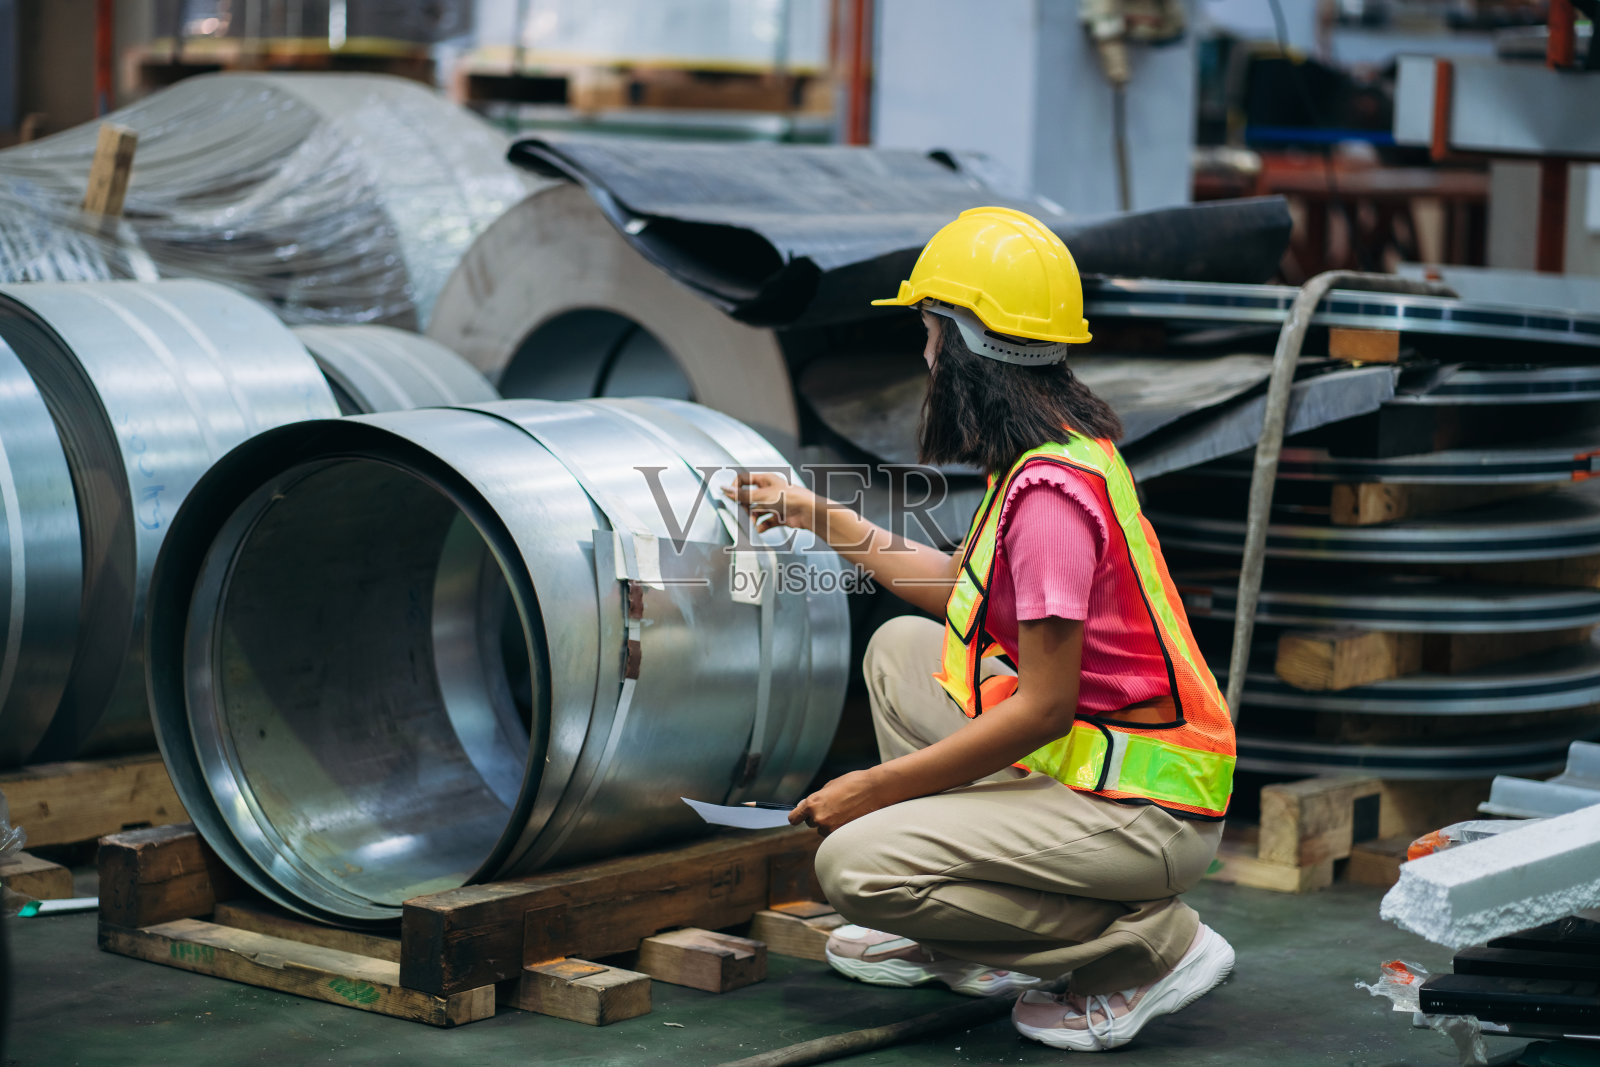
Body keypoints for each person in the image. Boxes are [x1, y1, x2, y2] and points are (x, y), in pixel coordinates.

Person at [724, 206, 1237, 1053]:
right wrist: (818, 515)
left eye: (929, 330)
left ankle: (1150, 948)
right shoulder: (1054, 452)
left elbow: (1042, 709)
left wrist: (872, 791)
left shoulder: (1048, 502)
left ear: (962, 343)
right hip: (1101, 763)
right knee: (900, 652)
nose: (923, 352)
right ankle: (975, 934)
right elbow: (964, 594)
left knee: (854, 865)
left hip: (1153, 808)